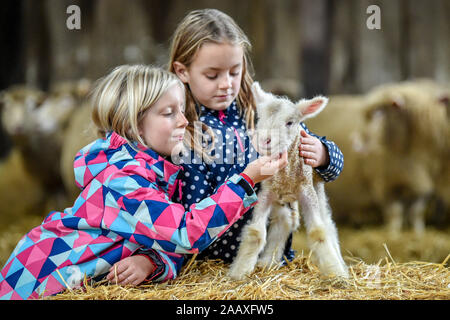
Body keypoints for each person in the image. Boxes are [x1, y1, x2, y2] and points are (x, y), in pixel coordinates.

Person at [0, 65, 287, 300]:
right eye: (168, 113)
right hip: (40, 277)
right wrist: (246, 181)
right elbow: (186, 234)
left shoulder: (156, 170)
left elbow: (165, 240)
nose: (184, 121)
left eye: (183, 111)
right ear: (134, 125)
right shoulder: (123, 180)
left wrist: (152, 262)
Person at [137, 9, 344, 269]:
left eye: (234, 72)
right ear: (183, 71)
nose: (226, 84)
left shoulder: (264, 111)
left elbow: (329, 168)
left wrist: (323, 154)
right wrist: (155, 261)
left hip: (272, 264)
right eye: (212, 75)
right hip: (208, 266)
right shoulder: (179, 130)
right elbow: (172, 215)